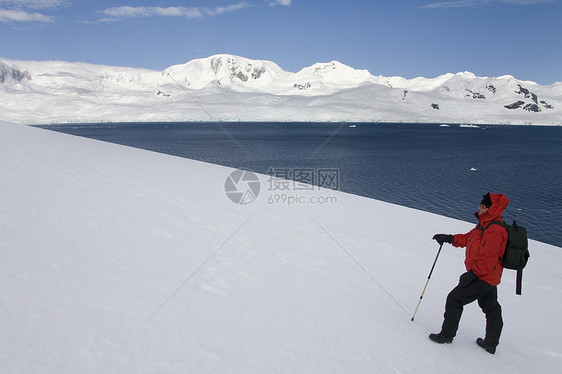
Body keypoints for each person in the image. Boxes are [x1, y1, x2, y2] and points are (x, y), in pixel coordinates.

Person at [430, 192, 509, 354]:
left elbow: (489, 260)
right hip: (488, 277)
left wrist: (472, 274)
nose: (479, 208)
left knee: (455, 299)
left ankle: (447, 335)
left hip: (483, 277)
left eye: (482, 206)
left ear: (489, 208)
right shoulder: (484, 225)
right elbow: (468, 239)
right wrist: (449, 238)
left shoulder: (494, 229)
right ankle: (490, 343)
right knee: (491, 307)